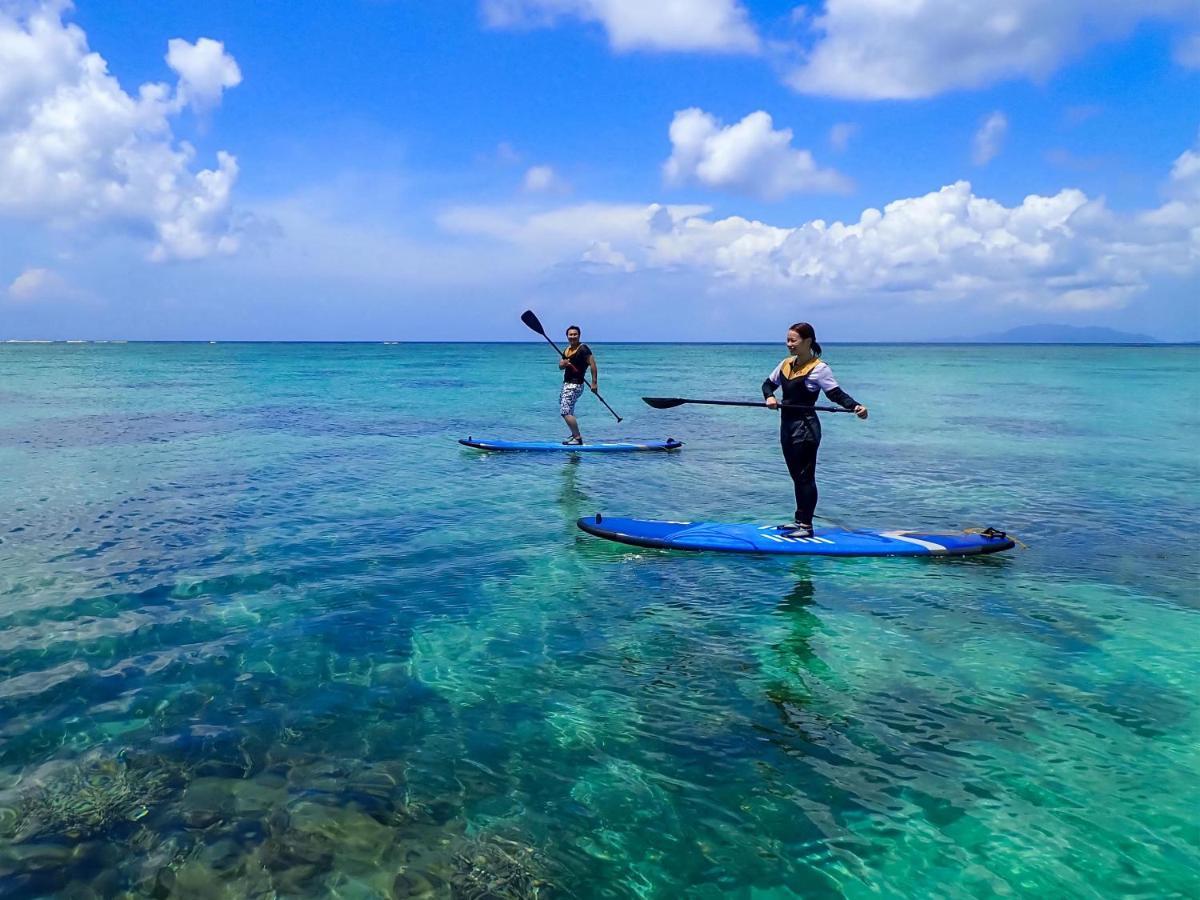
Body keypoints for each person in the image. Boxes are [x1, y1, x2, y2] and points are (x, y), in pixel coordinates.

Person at [762, 322, 867, 538]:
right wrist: (770, 397)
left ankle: (806, 527)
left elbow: (836, 394)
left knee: (805, 477)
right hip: (787, 427)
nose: (789, 344)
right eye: (787, 340)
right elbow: (767, 385)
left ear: (807, 341)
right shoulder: (785, 364)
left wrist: (856, 406)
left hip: (806, 428)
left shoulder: (819, 369)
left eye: (794, 340)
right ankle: (799, 520)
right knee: (795, 476)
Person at [558, 325, 598, 445]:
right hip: (567, 384)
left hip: (575, 385)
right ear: (567, 336)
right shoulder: (566, 350)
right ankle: (574, 434)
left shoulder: (583, 349)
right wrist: (564, 363)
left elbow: (593, 365)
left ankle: (577, 438)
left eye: (575, 334)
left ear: (579, 335)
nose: (573, 337)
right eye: (570, 335)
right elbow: (560, 366)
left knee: (565, 412)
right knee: (567, 409)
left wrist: (594, 383)